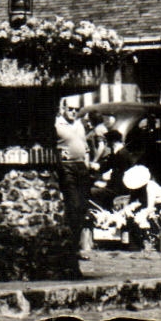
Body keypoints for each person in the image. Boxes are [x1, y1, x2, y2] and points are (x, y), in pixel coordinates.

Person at [56, 101, 95, 258]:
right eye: (70, 109)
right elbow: (50, 145)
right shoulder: (57, 124)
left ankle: (76, 245)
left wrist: (87, 164)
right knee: (73, 204)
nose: (72, 112)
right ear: (63, 109)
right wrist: (59, 155)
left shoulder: (79, 125)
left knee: (82, 207)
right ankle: (68, 247)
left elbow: (85, 147)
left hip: (81, 167)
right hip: (67, 167)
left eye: (75, 110)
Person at [115, 164, 161, 251]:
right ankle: (135, 243)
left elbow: (150, 206)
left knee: (143, 218)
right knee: (129, 216)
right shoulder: (136, 190)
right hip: (147, 207)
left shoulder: (151, 187)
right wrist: (127, 210)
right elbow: (135, 202)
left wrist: (140, 214)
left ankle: (151, 241)